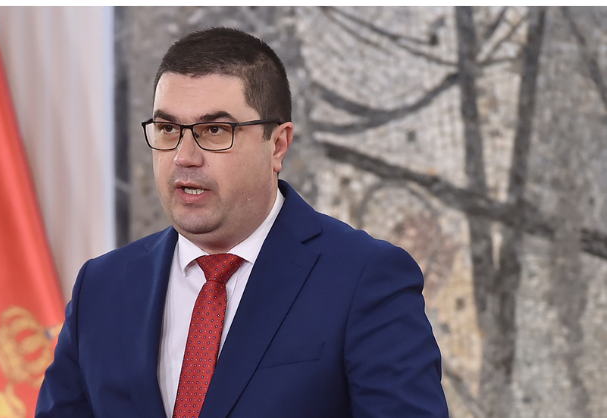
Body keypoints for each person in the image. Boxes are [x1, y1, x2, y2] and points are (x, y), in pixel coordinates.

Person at [36, 27, 448, 418]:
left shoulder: (365, 279)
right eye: (167, 129)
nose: (184, 157)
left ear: (278, 145)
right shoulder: (101, 287)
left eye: (215, 130)